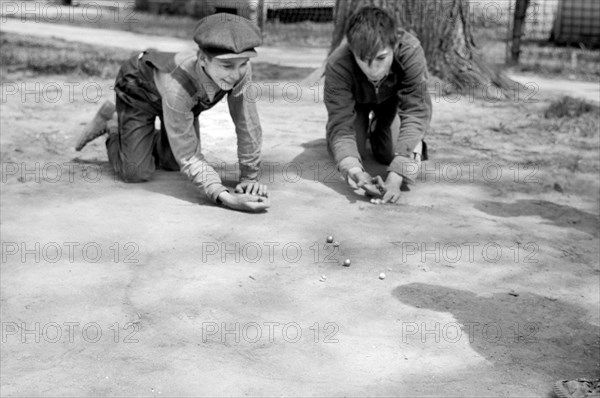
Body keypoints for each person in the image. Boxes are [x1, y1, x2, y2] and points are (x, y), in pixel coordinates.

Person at [75, 13, 269, 213]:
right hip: (139, 88)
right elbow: (189, 155)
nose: (236, 74)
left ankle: (145, 135)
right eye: (227, 65)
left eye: (243, 63)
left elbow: (248, 123)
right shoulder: (178, 87)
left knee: (173, 163)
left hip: (178, 107)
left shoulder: (240, 71)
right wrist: (226, 198)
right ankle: (113, 124)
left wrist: (249, 177)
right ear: (203, 59)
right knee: (135, 172)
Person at [324, 6, 432, 203]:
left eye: (381, 58)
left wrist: (396, 177)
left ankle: (378, 128)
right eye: (363, 60)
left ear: (394, 45)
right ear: (352, 51)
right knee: (350, 152)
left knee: (391, 153)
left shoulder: (410, 50)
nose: (373, 70)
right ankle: (364, 127)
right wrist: (355, 172)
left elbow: (416, 111)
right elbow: (340, 124)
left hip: (391, 104)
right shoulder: (337, 63)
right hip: (356, 106)